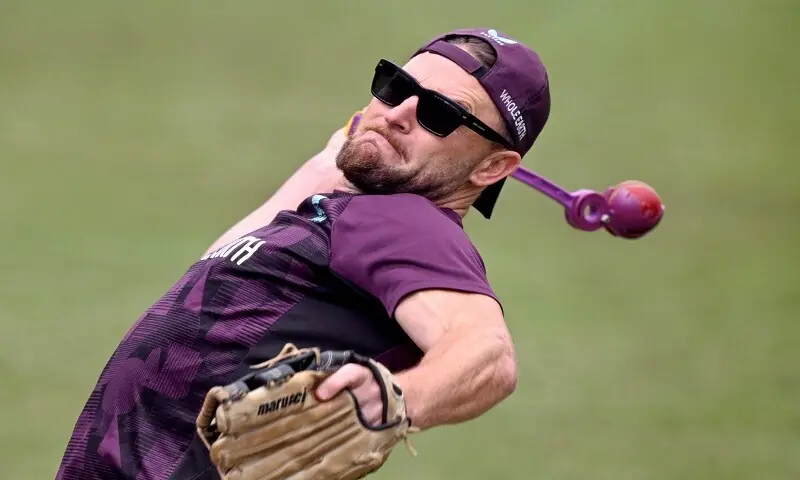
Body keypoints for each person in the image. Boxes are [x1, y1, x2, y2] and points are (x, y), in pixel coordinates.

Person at [55, 27, 551, 479]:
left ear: (491, 169)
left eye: (439, 114)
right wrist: (361, 138)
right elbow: (225, 252)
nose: (398, 114)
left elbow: (489, 355)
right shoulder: (338, 213)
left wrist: (397, 399)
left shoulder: (403, 221)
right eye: (396, 87)